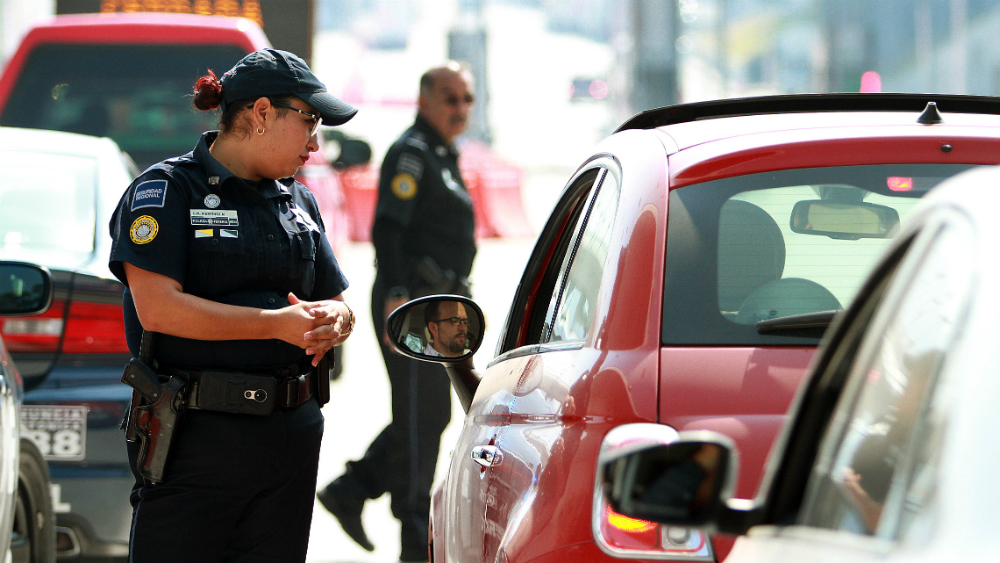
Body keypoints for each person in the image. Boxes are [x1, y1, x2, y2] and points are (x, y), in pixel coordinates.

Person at [108, 48, 358, 563]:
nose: (316, 143)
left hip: (291, 436)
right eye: (309, 121)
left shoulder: (299, 200)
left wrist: (339, 319)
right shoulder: (166, 192)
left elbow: (332, 297)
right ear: (261, 113)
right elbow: (159, 310)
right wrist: (275, 326)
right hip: (197, 439)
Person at [317, 62, 477, 562]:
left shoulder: (441, 154)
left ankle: (354, 487)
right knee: (419, 419)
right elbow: (388, 229)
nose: (459, 108)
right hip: (413, 304)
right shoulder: (411, 154)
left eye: (466, 99)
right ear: (424, 100)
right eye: (449, 98)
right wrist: (399, 294)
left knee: (427, 416)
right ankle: (412, 536)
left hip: (442, 307)